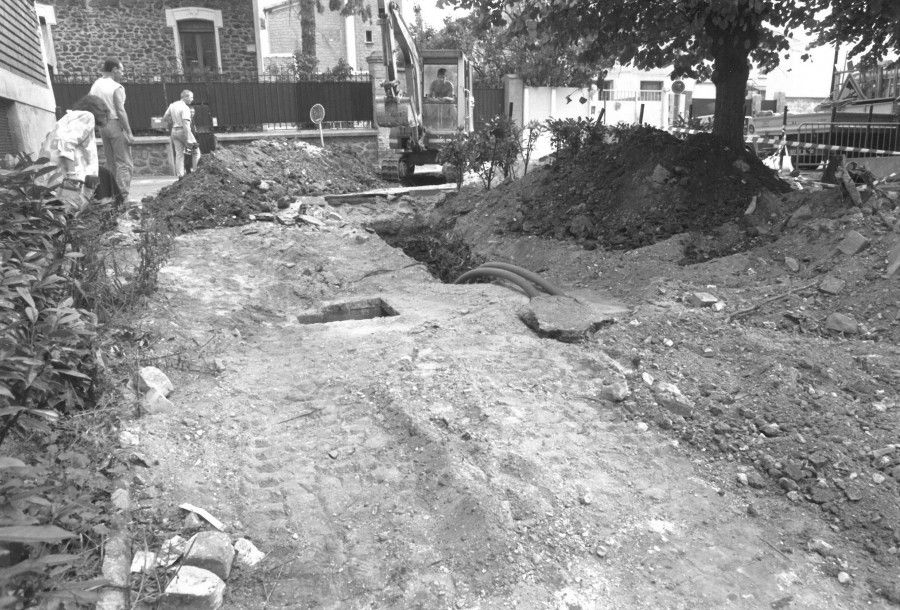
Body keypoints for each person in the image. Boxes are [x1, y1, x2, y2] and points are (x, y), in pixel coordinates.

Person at [38, 94, 109, 210]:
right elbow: (66, 143)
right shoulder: (87, 116)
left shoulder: (67, 119)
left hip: (51, 180)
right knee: (68, 212)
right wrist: (72, 176)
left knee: (57, 214)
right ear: (100, 113)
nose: (98, 129)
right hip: (66, 180)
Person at [89, 57, 134, 203]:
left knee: (111, 162)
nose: (122, 73)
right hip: (114, 123)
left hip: (102, 125)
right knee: (124, 163)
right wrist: (129, 132)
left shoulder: (96, 85)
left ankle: (113, 196)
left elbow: (91, 104)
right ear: (114, 70)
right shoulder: (116, 87)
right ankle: (123, 196)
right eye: (121, 70)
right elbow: (120, 111)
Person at [162, 90, 200, 178]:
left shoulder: (172, 105)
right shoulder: (185, 108)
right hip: (183, 130)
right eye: (191, 97)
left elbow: (165, 117)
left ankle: (180, 176)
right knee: (196, 152)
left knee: (179, 154)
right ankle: (196, 174)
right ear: (186, 97)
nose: (192, 99)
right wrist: (188, 139)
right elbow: (186, 124)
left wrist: (173, 122)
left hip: (174, 131)